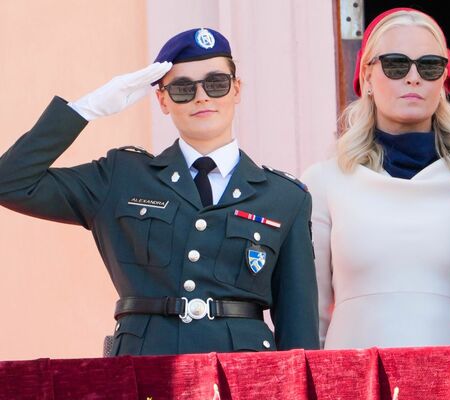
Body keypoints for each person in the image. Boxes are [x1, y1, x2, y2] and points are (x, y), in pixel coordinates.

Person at [0, 28, 319, 355]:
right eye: (183, 89)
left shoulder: (285, 197)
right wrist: (86, 110)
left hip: (243, 373)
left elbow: (299, 333)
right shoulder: (122, 177)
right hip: (146, 368)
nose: (202, 97)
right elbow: (10, 182)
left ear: (236, 89)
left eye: (216, 83)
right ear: (162, 100)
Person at [301, 8, 450, 349]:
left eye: (429, 66)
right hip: (355, 375)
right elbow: (311, 320)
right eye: (396, 65)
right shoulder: (324, 182)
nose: (413, 78)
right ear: (366, 76)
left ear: (444, 80)